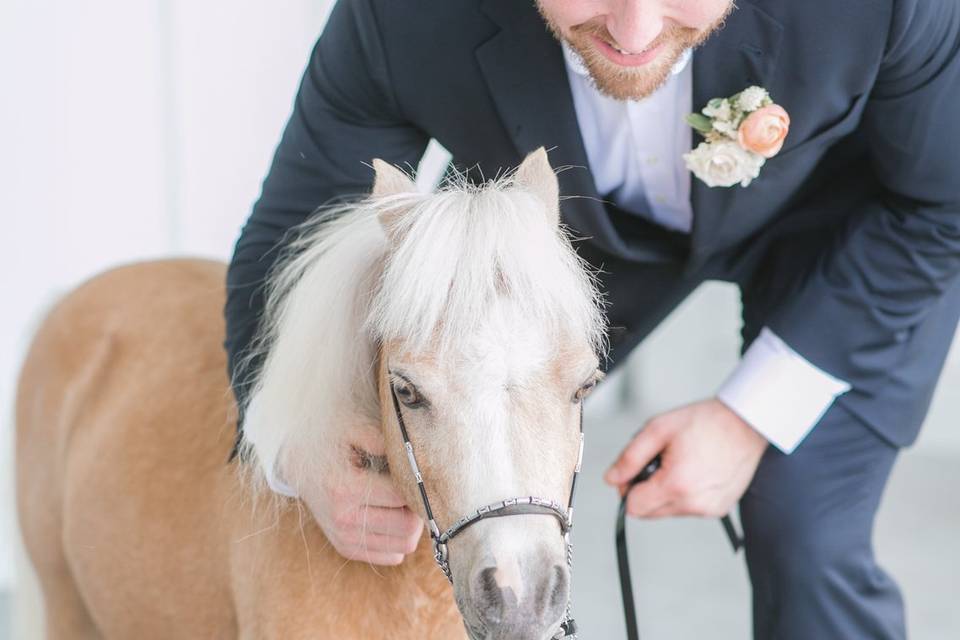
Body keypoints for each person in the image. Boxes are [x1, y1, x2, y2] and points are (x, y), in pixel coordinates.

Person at [224, 1, 960, 637]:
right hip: (553, 235)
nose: (634, 31)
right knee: (442, 466)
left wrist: (750, 415)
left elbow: (942, 203)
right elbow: (298, 227)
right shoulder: (402, 15)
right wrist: (292, 447)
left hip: (847, 238)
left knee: (806, 530)